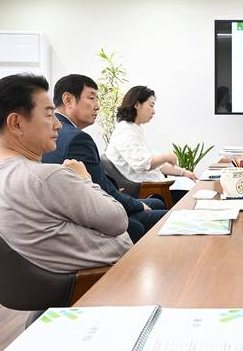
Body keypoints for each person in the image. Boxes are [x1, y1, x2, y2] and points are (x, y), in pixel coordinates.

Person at [0, 74, 132, 272]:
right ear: (16, 123)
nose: (58, 124)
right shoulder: (47, 177)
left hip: (44, 283)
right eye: (49, 115)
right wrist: (84, 179)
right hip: (104, 279)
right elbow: (119, 221)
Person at [41, 74, 167, 243]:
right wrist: (137, 205)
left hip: (82, 209)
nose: (98, 106)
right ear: (68, 100)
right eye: (92, 98)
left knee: (156, 204)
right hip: (94, 218)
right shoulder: (77, 139)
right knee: (167, 217)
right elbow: (101, 191)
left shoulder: (55, 134)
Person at [106, 86, 198, 204]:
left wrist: (184, 173)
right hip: (148, 191)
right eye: (151, 105)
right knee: (193, 195)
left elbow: (157, 164)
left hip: (156, 186)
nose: (153, 111)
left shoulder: (134, 129)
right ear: (137, 104)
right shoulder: (125, 131)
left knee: (192, 188)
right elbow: (142, 164)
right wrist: (166, 156)